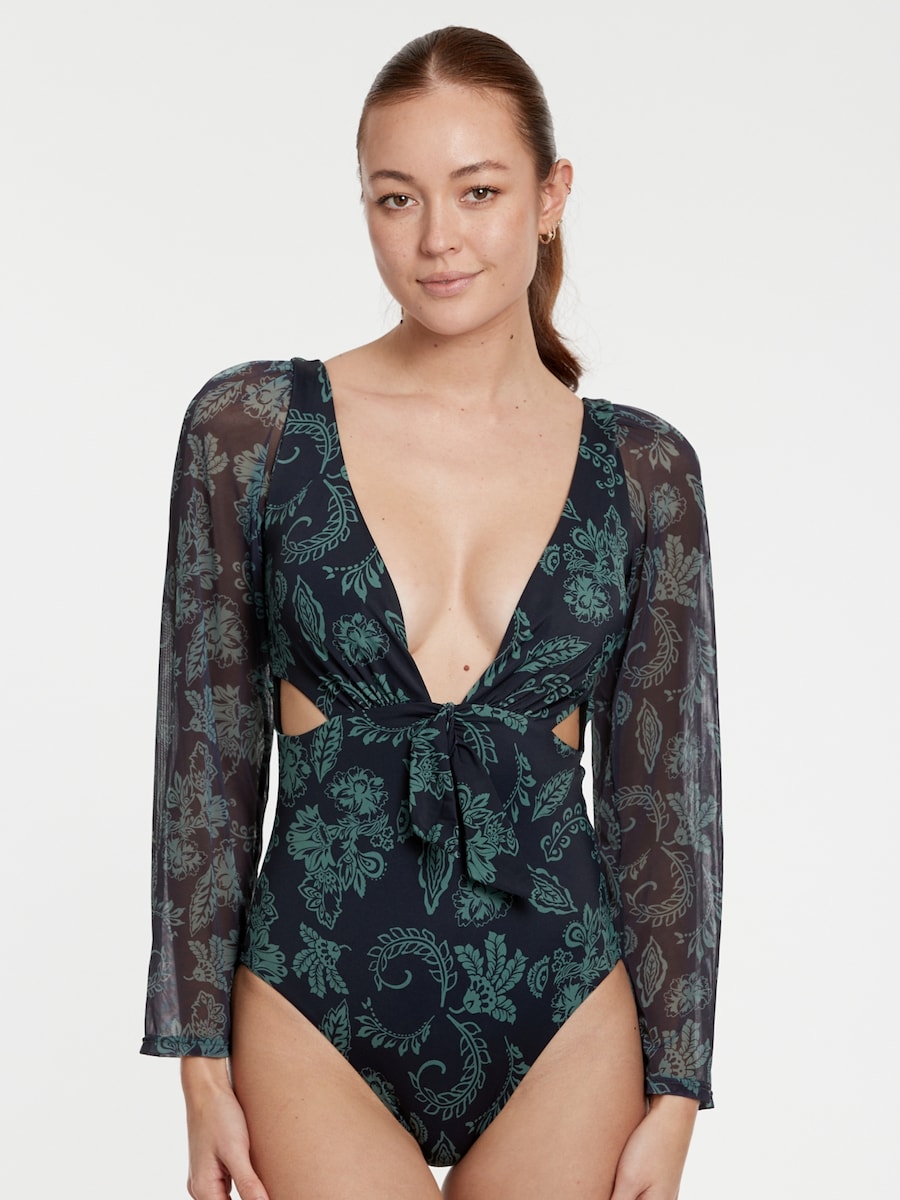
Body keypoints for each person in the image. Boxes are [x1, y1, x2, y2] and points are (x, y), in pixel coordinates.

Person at [142, 25, 722, 1200]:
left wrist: (677, 1089)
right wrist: (198, 1063)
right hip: (310, 994)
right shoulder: (251, 432)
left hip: (566, 1006)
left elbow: (664, 795)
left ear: (551, 197)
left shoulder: (644, 470)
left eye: (479, 191)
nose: (436, 238)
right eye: (395, 197)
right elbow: (205, 757)